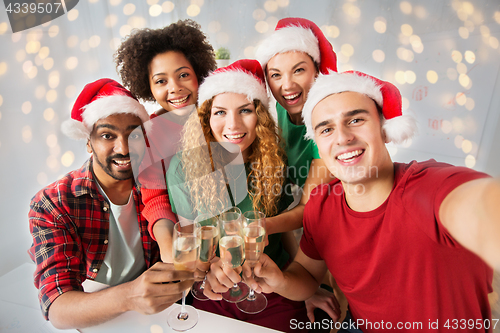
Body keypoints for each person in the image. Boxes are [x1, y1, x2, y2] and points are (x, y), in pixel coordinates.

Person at [246, 71, 499, 332]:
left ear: (384, 128)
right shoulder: (321, 205)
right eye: (327, 128)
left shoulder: (432, 188)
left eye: (355, 119)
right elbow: (308, 275)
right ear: (318, 144)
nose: (343, 138)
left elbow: (479, 203)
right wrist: (279, 280)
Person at [166, 59, 332, 332]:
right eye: (220, 112)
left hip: (271, 283)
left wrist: (303, 284)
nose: (233, 124)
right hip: (215, 288)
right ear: (206, 118)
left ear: (260, 118)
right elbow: (189, 239)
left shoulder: (272, 161)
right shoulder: (183, 167)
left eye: (245, 110)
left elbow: (283, 233)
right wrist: (205, 273)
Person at [28, 79, 194, 329]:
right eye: (108, 135)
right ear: (88, 141)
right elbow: (58, 309)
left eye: (133, 134)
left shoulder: (161, 184)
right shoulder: (54, 203)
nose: (124, 148)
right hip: (97, 315)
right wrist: (129, 296)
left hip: (161, 314)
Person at [255, 17, 344, 324]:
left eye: (299, 71)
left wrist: (262, 227)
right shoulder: (280, 109)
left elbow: (309, 210)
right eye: (276, 75)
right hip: (303, 232)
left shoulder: (327, 121)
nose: (287, 85)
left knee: (340, 309)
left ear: (317, 72)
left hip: (339, 231)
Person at [114, 19, 217, 263]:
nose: (175, 88)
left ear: (198, 74)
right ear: (148, 86)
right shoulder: (149, 135)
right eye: (161, 81)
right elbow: (156, 199)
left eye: (183, 75)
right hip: (188, 241)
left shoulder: (220, 117)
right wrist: (170, 250)